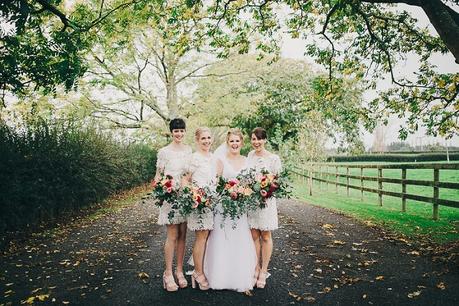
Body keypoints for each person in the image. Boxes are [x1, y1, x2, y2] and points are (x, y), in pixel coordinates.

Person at [204, 128, 257, 292]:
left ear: (242, 142)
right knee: (222, 238)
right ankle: (220, 275)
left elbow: (249, 183)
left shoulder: (247, 160)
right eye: (231, 141)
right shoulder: (221, 160)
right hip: (224, 206)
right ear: (228, 143)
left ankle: (239, 274)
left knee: (239, 237)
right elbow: (215, 183)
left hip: (240, 206)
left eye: (237, 141)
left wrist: (242, 192)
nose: (235, 144)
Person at [155, 118, 192, 291]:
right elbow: (158, 176)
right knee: (172, 235)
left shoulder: (189, 150)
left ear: (185, 132)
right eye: (176, 131)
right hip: (170, 197)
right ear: (171, 132)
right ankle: (168, 273)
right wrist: (162, 191)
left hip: (184, 197)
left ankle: (179, 271)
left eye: (182, 131)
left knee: (183, 235)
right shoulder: (164, 152)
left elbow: (189, 174)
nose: (179, 134)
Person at [247, 127, 282, 288]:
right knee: (254, 234)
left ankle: (264, 271)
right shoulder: (250, 156)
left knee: (265, 235)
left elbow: (277, 181)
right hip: (253, 201)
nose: (256, 142)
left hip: (267, 201)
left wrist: (268, 189)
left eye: (259, 139)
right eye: (254, 139)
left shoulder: (274, 158)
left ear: (265, 140)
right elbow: (246, 177)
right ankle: (255, 267)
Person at [181, 127, 216, 290]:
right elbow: (185, 181)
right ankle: (198, 272)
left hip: (211, 203)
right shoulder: (193, 159)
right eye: (203, 138)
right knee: (201, 237)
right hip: (198, 203)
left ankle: (202, 269)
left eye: (209, 137)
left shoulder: (214, 158)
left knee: (207, 237)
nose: (207, 141)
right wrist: (194, 195)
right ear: (197, 140)